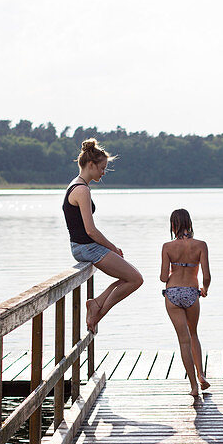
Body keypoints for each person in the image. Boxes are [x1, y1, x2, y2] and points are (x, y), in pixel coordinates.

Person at [63, 138, 143, 332]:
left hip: (83, 247)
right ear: (91, 165)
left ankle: (97, 303)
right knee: (136, 279)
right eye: (102, 167)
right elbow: (90, 230)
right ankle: (99, 310)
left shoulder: (75, 185)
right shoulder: (81, 190)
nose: (103, 172)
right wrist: (112, 247)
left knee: (129, 278)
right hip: (87, 247)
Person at [159, 208, 211, 400]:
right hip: (191, 292)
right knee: (194, 334)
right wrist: (204, 288)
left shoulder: (167, 247)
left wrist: (174, 272)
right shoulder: (201, 245)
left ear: (173, 225)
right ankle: (202, 374)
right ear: (190, 223)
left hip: (172, 293)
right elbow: (207, 275)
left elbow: (163, 277)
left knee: (183, 341)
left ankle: (193, 386)